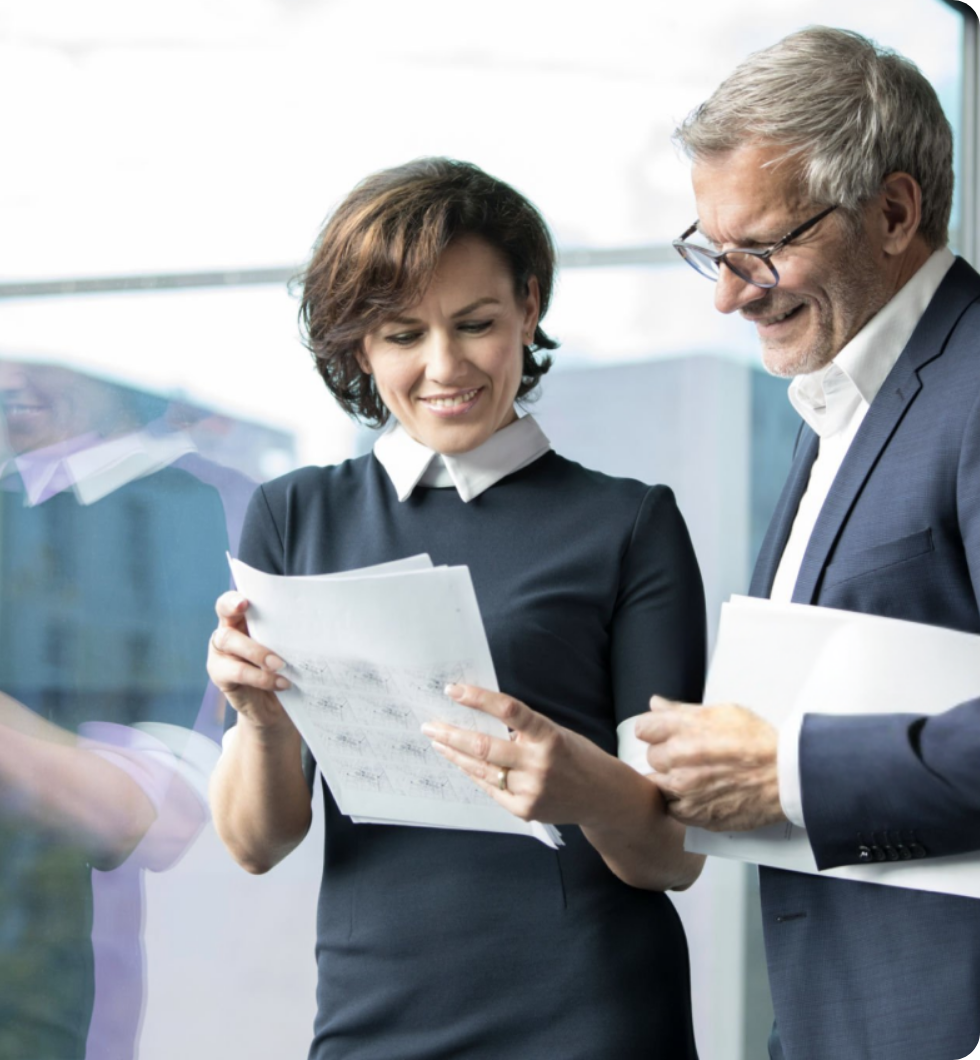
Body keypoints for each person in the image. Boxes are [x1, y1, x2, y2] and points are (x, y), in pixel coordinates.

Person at [207, 157, 708, 1060]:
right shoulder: (293, 516)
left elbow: (672, 858)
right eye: (403, 334)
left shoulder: (629, 524)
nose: (445, 366)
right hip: (373, 1015)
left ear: (528, 305)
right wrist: (260, 717)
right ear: (360, 345)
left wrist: (581, 785)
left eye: (475, 323)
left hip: (589, 1017)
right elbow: (256, 844)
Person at [634, 26, 980, 1060]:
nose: (728, 292)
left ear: (893, 212)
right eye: (711, 250)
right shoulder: (843, 399)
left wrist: (788, 773)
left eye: (761, 247)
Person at [0, 355, 228, 1059]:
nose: (1, 383)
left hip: (62, 943)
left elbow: (152, 813)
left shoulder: (192, 511)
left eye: (32, 359)